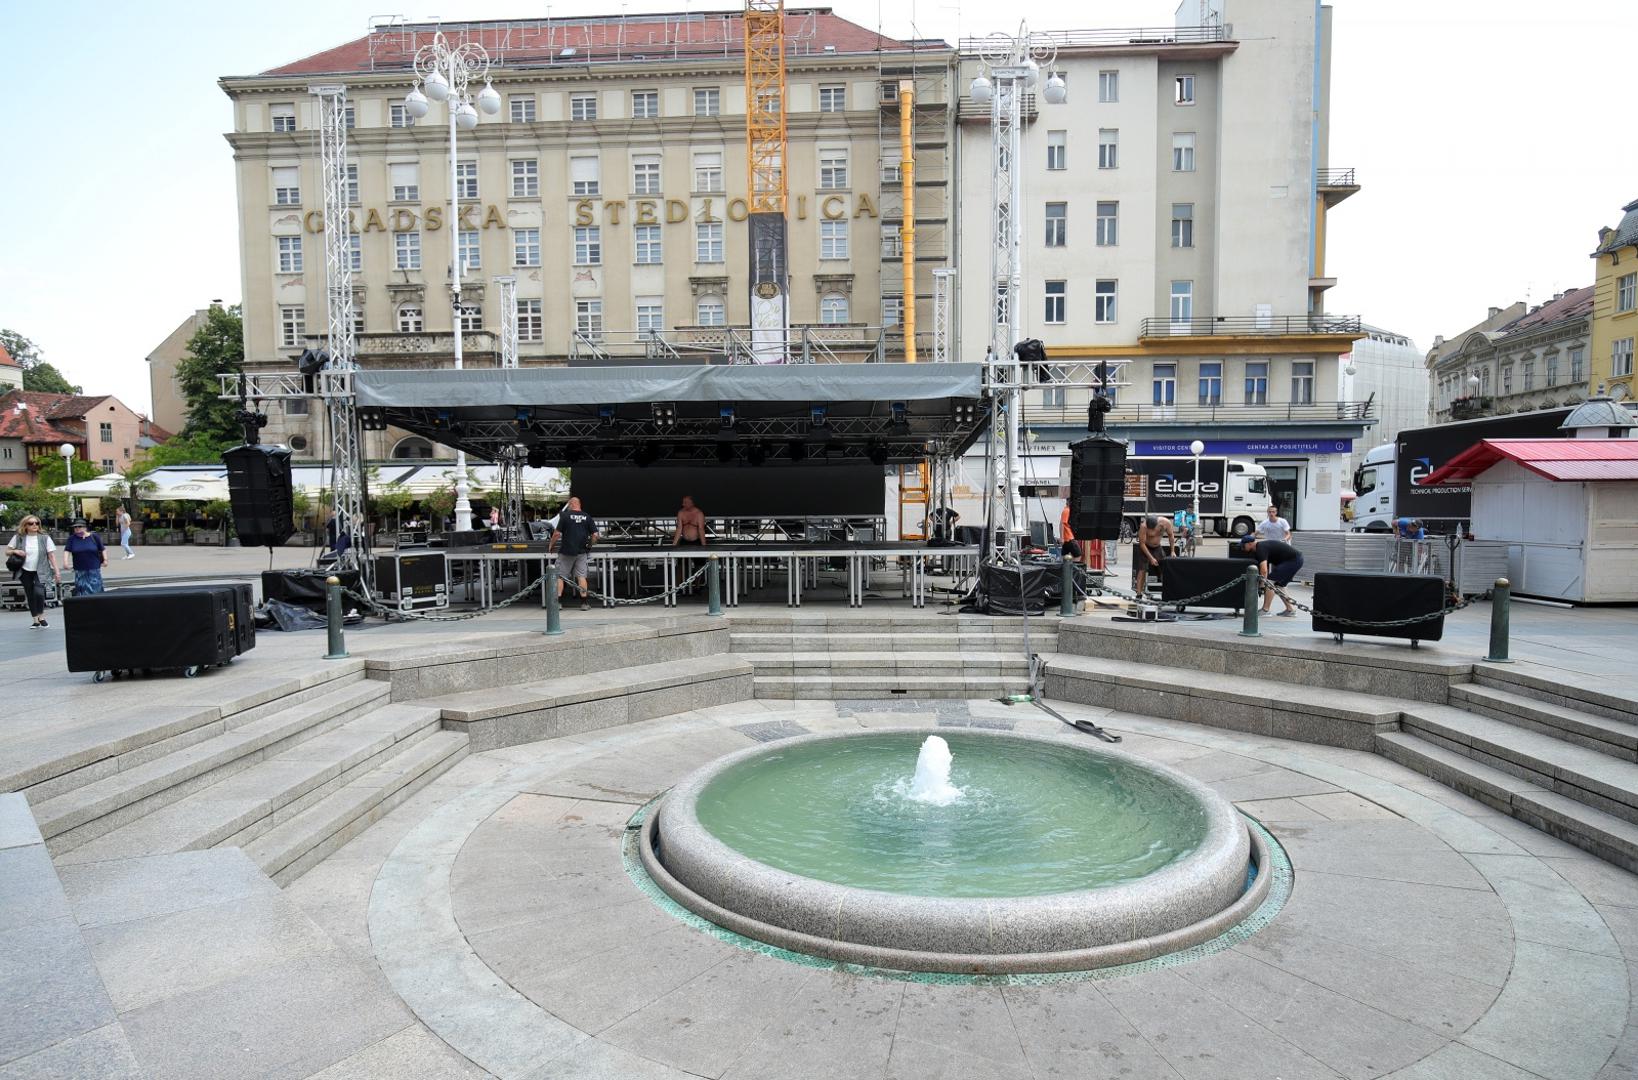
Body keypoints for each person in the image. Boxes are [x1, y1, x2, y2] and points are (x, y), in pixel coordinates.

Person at [6, 516, 61, 628]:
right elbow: (7, 551)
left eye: (37, 523)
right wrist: (15, 550)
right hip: (24, 571)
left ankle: (41, 617)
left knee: (39, 593)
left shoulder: (45, 538)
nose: (34, 525)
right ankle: (35, 620)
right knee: (30, 594)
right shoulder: (19, 537)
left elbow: (51, 555)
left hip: (41, 570)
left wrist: (57, 571)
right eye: (31, 523)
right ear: (25, 525)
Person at [549, 496, 599, 611]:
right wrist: (590, 545)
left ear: (571, 505)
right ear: (579, 504)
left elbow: (557, 534)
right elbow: (595, 535)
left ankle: (558, 603)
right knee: (581, 577)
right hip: (581, 552)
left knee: (560, 576)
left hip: (566, 552)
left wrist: (551, 545)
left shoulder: (565, 516)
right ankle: (584, 603)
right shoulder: (587, 517)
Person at [1241, 534, 1304, 616]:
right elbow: (1264, 567)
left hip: (1293, 560)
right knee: (1279, 585)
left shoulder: (1260, 548)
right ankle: (1290, 610)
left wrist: (1262, 585)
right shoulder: (1260, 548)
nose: (1242, 547)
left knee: (1270, 582)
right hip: (1295, 560)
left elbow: (1264, 570)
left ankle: (1265, 610)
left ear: (1249, 544)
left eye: (1243, 545)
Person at [62, 519, 108, 596]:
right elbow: (67, 550)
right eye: (75, 527)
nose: (77, 528)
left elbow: (102, 549)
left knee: (96, 590)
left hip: (94, 569)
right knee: (81, 592)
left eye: (79, 527)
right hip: (79, 570)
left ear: (85, 527)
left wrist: (105, 560)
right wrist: (65, 562)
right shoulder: (72, 539)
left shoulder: (94, 537)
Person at [1134, 514, 1169, 594]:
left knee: (1164, 568)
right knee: (1142, 570)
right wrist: (1151, 558)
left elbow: (1171, 535)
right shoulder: (1143, 527)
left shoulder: (1162, 524)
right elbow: (1142, 544)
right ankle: (1139, 594)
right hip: (1145, 547)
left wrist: (1173, 550)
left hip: (1157, 547)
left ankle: (1167, 591)